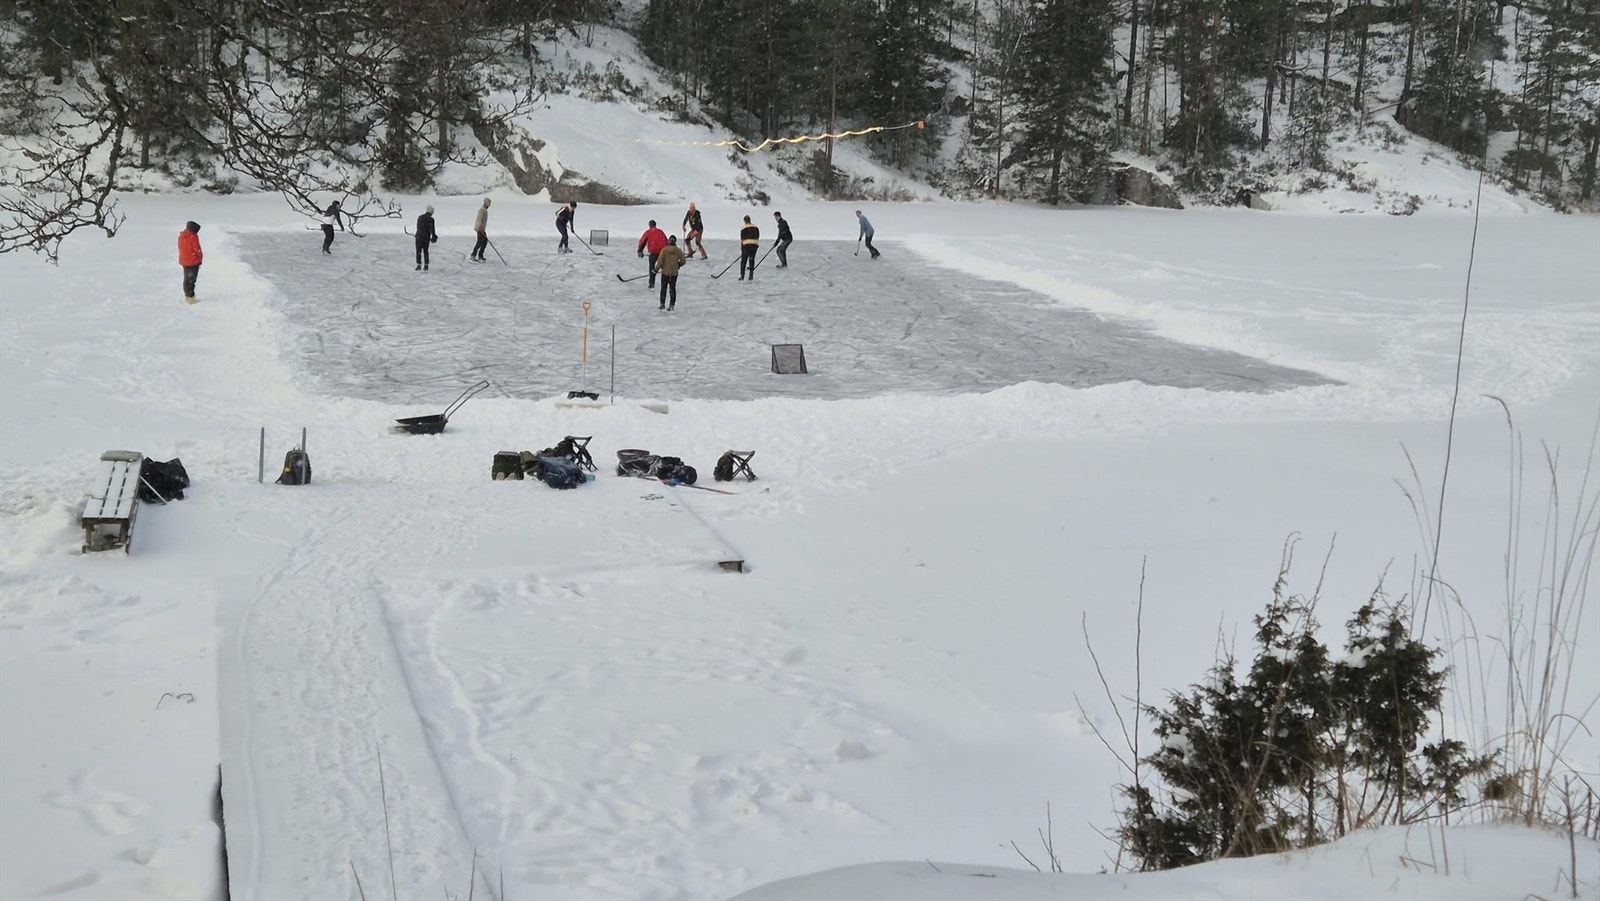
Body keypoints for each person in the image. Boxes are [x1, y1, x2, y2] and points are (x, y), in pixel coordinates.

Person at [656, 234, 687, 311]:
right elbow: (683, 261)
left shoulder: (664, 250)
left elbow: (660, 262)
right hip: (674, 273)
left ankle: (662, 304)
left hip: (665, 272)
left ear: (669, 241)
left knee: (663, 288)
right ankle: (672, 305)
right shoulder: (678, 251)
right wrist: (678, 265)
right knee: (672, 288)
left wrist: (655, 270)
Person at [636, 219, 669, 287]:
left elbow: (642, 242)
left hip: (653, 252)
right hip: (662, 252)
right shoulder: (660, 231)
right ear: (655, 225)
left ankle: (651, 284)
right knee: (664, 267)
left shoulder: (648, 232)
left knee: (652, 268)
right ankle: (666, 282)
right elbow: (666, 241)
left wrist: (640, 250)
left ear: (649, 225)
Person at [178, 220, 202, 304]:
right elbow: (197, 249)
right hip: (193, 261)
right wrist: (199, 259)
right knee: (191, 280)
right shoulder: (193, 237)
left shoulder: (182, 236)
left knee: (187, 279)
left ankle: (187, 296)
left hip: (184, 260)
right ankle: (191, 297)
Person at [414, 205, 438, 271]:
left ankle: (419, 265)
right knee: (425, 251)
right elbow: (432, 229)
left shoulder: (420, 217)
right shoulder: (431, 220)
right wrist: (434, 237)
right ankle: (426, 265)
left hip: (419, 237)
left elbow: (418, 227)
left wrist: (417, 234)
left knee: (418, 251)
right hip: (426, 238)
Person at [737, 214, 760, 281]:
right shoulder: (756, 227)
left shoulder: (743, 228)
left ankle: (742, 276)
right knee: (751, 260)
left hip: (746, 246)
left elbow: (742, 239)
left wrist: (742, 249)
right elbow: (757, 236)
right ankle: (751, 275)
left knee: (743, 261)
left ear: (744, 221)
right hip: (754, 246)